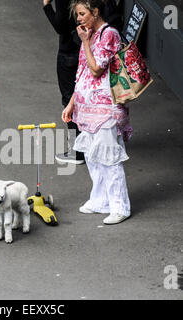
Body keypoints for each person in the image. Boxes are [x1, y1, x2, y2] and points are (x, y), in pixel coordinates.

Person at [62, 0, 133, 225]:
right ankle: (100, 200)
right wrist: (72, 103)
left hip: (105, 108)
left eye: (83, 14)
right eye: (77, 15)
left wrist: (85, 43)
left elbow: (96, 68)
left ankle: (120, 206)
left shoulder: (108, 34)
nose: (79, 19)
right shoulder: (90, 35)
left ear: (95, 12)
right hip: (86, 108)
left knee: (109, 157)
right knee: (93, 156)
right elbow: (81, 73)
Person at [43, 0, 85, 165]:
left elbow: (60, 26)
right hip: (90, 48)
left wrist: (47, 6)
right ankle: (94, 142)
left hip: (70, 51)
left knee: (70, 99)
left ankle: (79, 151)